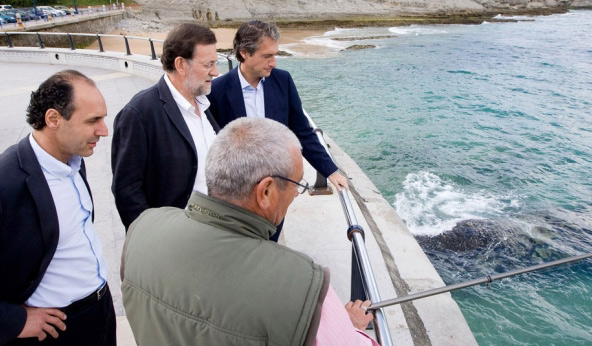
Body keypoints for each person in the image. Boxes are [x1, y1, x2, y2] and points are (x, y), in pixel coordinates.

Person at [121, 117, 379, 346]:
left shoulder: (143, 228)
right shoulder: (300, 284)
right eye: (296, 184)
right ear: (266, 191)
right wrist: (350, 328)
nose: (296, 194)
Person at [0, 70, 115, 346]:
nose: (104, 130)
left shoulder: (75, 159)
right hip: (54, 331)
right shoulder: (7, 182)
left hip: (100, 311)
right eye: (93, 121)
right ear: (53, 119)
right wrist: (14, 321)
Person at [207, 20, 349, 241]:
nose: (273, 62)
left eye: (275, 55)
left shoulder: (283, 81)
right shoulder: (216, 91)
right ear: (244, 53)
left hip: (276, 189)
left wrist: (331, 171)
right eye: (267, 56)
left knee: (270, 241)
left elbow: (302, 131)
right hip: (237, 192)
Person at [111, 23, 221, 229]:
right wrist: (154, 239)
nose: (215, 72)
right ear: (181, 65)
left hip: (212, 233)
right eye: (208, 64)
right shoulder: (139, 113)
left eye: (216, 63)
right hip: (173, 239)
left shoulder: (206, 102)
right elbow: (127, 191)